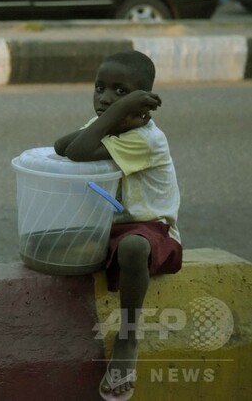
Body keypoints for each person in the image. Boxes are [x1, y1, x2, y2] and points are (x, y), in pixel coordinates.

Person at [54, 50, 182, 401]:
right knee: (50, 242)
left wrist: (109, 117)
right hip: (109, 227)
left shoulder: (147, 139)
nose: (105, 98)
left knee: (133, 247)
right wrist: (113, 115)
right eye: (100, 88)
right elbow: (62, 146)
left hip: (150, 231)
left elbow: (78, 151)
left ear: (144, 105)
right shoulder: (112, 127)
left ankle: (128, 336)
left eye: (120, 92)